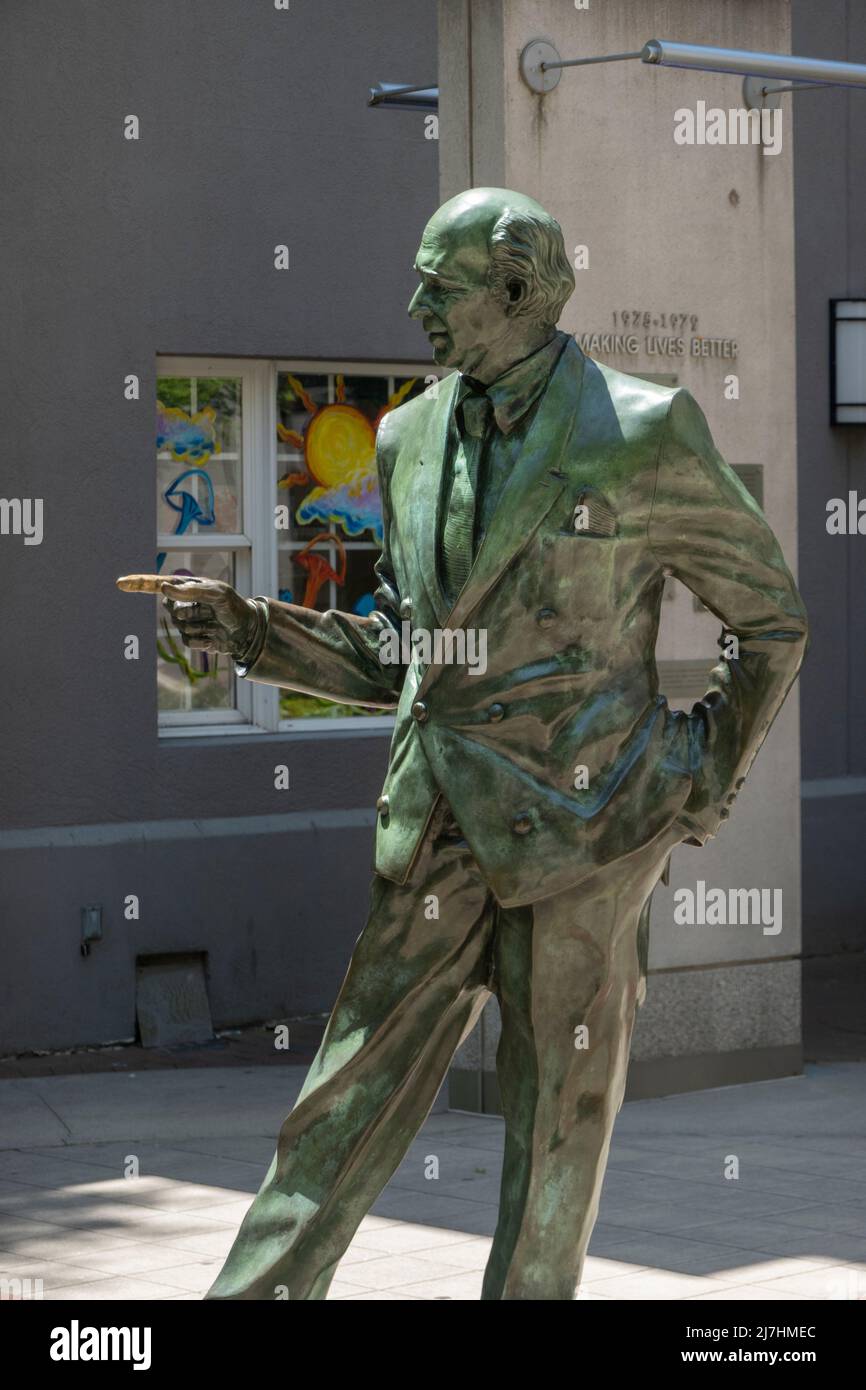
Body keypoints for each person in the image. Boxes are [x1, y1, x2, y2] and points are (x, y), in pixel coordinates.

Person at [118, 187, 808, 1300]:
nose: (414, 307)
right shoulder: (406, 435)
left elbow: (770, 620)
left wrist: (694, 777)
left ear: (518, 289)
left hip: (585, 839)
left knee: (554, 1139)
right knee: (337, 1112)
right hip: (435, 827)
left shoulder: (639, 431)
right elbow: (411, 647)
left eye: (437, 287)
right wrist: (254, 632)